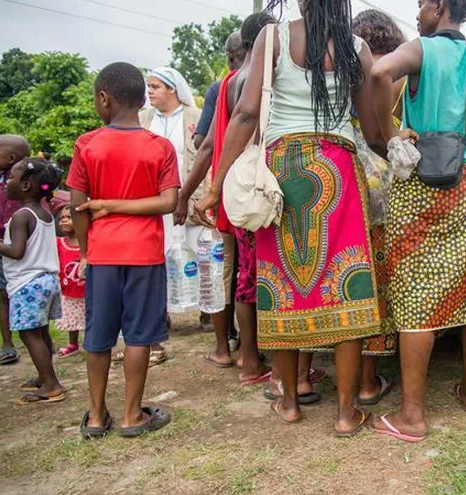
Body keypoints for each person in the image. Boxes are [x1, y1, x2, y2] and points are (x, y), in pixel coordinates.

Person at [197, 0, 384, 436]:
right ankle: (344, 413)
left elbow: (244, 113)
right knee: (348, 284)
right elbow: (372, 130)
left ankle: (289, 401)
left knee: (279, 285)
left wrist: (214, 186)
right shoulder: (357, 48)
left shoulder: (273, 37)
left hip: (280, 173)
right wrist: (397, 147)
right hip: (337, 171)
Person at [368, 0, 466, 443]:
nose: (418, 11)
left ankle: (412, 416)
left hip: (422, 179)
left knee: (416, 291)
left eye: (421, 4)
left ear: (439, 6)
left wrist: (389, 134)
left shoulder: (421, 48)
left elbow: (378, 72)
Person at [68, 62, 179, 438]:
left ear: (105, 99)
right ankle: (133, 415)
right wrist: (121, 204)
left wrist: (86, 249)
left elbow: (77, 207)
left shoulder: (87, 144)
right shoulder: (159, 147)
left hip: (101, 252)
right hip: (145, 253)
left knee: (98, 337)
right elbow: (168, 202)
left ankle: (97, 416)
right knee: (138, 337)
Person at [178, 13, 275, 385]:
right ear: (263, 42)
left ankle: (247, 357)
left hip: (236, 193)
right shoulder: (257, 81)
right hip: (260, 190)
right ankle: (261, 361)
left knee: (243, 276)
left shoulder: (230, 83)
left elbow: (207, 146)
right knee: (262, 275)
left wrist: (196, 192)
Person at [350, 8, 406, 405]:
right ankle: (370, 379)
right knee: (382, 287)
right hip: (385, 188)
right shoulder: (396, 80)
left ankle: (354, 377)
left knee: (356, 285)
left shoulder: (342, 73)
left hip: (348, 186)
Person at [0, 158, 65, 405]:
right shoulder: (44, 213)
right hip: (47, 280)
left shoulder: (22, 215)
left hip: (28, 283)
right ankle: (46, 376)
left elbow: (16, 251)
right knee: (40, 331)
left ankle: (51, 385)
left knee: (29, 334)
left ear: (25, 185)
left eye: (12, 177)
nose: (6, 181)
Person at [141, 66, 205, 363]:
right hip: (154, 199)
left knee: (197, 251)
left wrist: (188, 195)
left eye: (155, 86)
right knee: (160, 253)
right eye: (148, 87)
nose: (150, 91)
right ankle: (162, 312)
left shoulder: (194, 116)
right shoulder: (144, 119)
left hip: (191, 195)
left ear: (172, 90)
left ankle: (207, 308)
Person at [0, 134, 31, 366]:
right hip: (3, 247)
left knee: (25, 292)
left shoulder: (27, 184)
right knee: (4, 294)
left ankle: (39, 340)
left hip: (26, 250)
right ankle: (7, 345)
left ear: (10, 158)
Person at [193, 31, 246, 150]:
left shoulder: (219, 89)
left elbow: (200, 142)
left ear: (230, 57)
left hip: (228, 163)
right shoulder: (268, 85)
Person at [55, 206, 86, 358]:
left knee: (90, 316)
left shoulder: (88, 243)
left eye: (69, 217)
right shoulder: (59, 243)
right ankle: (73, 344)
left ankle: (92, 343)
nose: (64, 221)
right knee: (71, 319)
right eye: (61, 218)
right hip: (69, 290)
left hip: (88, 291)